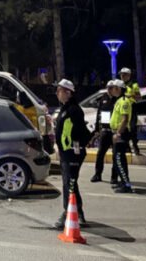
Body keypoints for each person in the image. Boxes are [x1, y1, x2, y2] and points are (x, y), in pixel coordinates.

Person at [53, 79, 90, 229]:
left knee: (70, 184)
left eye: (60, 90)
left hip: (72, 153)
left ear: (68, 93)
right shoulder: (65, 108)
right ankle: (77, 212)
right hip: (66, 153)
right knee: (69, 183)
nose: (57, 93)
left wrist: (76, 149)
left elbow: (79, 132)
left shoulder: (74, 110)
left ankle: (68, 212)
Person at [91, 81, 119, 184]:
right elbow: (99, 114)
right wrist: (97, 130)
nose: (110, 89)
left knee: (115, 155)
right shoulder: (103, 99)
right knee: (100, 154)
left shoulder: (118, 99)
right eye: (109, 88)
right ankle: (97, 174)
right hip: (105, 131)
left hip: (115, 131)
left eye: (112, 87)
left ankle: (114, 177)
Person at [109, 79, 134, 193]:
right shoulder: (119, 100)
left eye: (114, 87)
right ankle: (123, 182)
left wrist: (118, 133)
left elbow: (125, 119)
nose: (112, 90)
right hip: (117, 132)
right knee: (117, 159)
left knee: (119, 160)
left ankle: (126, 184)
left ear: (118, 89)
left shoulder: (124, 101)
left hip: (121, 133)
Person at [119, 67, 141, 155]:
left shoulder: (134, 85)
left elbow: (139, 98)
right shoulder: (119, 85)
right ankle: (126, 147)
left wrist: (130, 96)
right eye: (121, 74)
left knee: (132, 128)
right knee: (123, 128)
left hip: (131, 108)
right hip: (121, 109)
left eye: (124, 74)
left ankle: (135, 146)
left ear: (129, 75)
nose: (122, 76)